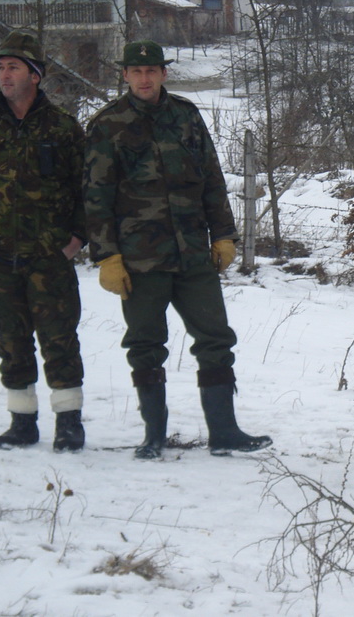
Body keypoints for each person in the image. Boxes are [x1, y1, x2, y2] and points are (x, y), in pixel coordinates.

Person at [83, 40, 271, 459]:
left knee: (216, 339)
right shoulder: (108, 125)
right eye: (136, 71)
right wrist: (107, 256)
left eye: (152, 71)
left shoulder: (186, 116)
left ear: (164, 74)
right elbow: (96, 197)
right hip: (140, 258)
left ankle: (224, 432)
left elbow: (211, 178)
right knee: (146, 345)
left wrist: (224, 235)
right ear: (126, 75)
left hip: (192, 254)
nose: (145, 78)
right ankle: (154, 435)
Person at [0, 29, 87, 452]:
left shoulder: (63, 129)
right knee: (9, 339)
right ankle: (22, 421)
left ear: (36, 75)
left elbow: (87, 187)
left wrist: (78, 238)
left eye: (13, 67)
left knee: (59, 336)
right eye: (0, 68)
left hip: (49, 255)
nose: (4, 75)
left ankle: (68, 421)